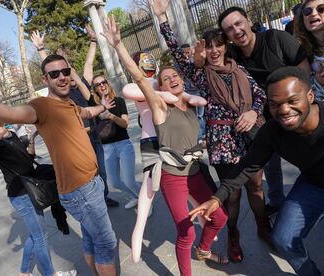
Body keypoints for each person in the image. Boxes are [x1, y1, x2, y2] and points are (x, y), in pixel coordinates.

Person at [0, 53, 118, 276]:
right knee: (106, 245)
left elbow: (87, 111)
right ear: (45, 79)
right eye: (54, 74)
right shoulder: (41, 106)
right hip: (80, 191)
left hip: (91, 183)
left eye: (65, 72)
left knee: (92, 241)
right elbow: (13, 113)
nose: (62, 77)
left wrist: (103, 107)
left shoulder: (69, 103)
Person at [102, 16, 229, 275]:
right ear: (160, 87)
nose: (171, 78)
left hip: (194, 171)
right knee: (185, 232)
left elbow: (205, 78)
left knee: (220, 217)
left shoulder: (192, 103)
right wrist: (119, 47)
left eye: (175, 75)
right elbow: (138, 79)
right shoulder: (160, 106)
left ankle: (203, 250)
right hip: (172, 176)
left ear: (182, 80)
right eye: (165, 78)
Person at [152, 0, 269, 263]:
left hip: (249, 139)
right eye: (210, 46)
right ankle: (234, 236)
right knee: (232, 194)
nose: (214, 50)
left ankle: (264, 226)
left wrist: (253, 112)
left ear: (226, 46)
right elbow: (178, 55)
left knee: (257, 187)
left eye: (219, 44)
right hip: (223, 144)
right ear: (204, 50)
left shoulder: (240, 71)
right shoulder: (202, 76)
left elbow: (260, 95)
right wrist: (162, 20)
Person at [190, 67, 324, 276]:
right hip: (313, 184)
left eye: (292, 100)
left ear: (310, 96)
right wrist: (217, 198)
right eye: (275, 104)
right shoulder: (272, 132)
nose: (284, 110)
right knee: (282, 238)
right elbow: (246, 167)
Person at [218, 6, 311, 217]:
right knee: (270, 165)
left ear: (248, 21)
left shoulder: (276, 39)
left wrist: (300, 101)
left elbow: (303, 65)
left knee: (310, 157)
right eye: (229, 29)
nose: (236, 30)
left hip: (296, 112)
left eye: (238, 23)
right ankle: (278, 202)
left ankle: (314, 197)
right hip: (265, 121)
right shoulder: (234, 57)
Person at [122, 50, 208, 263]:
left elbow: (185, 96)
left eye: (150, 59)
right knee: (149, 187)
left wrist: (190, 97)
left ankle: (207, 229)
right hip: (151, 141)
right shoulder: (143, 85)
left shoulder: (160, 82)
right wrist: (162, 95)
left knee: (184, 184)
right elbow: (129, 90)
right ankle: (138, 233)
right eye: (143, 61)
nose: (148, 63)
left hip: (171, 139)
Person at [0, 96, 76, 276]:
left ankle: (24, 272)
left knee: (35, 234)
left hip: (32, 188)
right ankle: (50, 274)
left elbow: (27, 162)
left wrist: (31, 139)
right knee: (41, 237)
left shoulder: (12, 133)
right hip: (20, 194)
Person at [31, 28, 119, 208]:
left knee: (101, 170)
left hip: (93, 136)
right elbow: (51, 72)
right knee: (84, 173)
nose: (63, 76)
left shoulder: (82, 86)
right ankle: (92, 201)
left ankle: (103, 196)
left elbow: (88, 64)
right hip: (77, 138)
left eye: (66, 71)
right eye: (60, 74)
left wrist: (93, 41)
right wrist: (41, 50)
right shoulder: (62, 93)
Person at [91, 73, 141, 209]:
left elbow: (125, 124)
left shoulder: (118, 101)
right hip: (107, 148)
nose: (102, 85)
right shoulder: (95, 106)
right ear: (95, 89)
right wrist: (101, 108)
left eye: (104, 82)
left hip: (123, 145)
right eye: (98, 84)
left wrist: (111, 116)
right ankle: (137, 196)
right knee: (115, 182)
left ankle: (144, 202)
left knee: (129, 181)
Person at [296, 0, 324, 101]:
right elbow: (304, 89)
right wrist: (317, 81)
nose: (313, 13)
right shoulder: (301, 52)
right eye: (307, 11)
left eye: (321, 9)